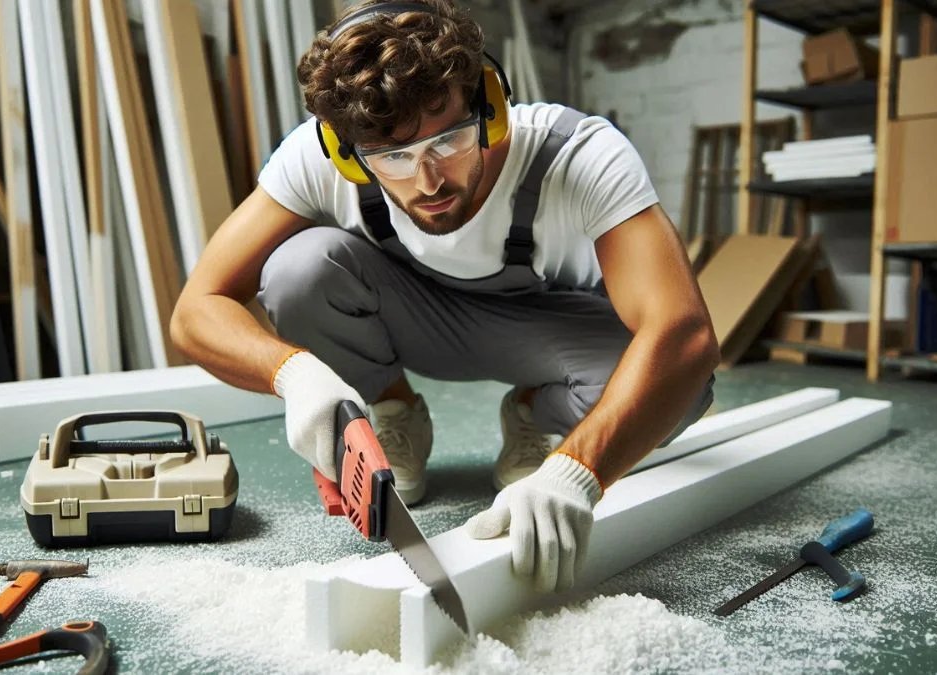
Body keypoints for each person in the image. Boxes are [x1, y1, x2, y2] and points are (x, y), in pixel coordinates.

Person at [171, 0, 718, 594]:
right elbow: (196, 309)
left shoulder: (579, 155)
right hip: (410, 317)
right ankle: (394, 413)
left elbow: (682, 332)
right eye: (393, 158)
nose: (427, 181)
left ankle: (537, 413)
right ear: (348, 153)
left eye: (449, 140)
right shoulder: (320, 155)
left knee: (683, 387)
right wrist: (294, 375)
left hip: (547, 332)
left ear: (490, 109)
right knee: (301, 269)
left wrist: (578, 471)